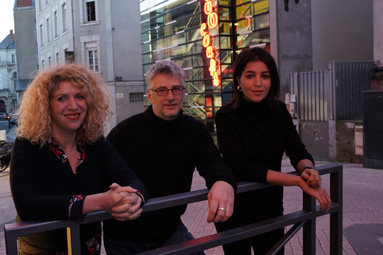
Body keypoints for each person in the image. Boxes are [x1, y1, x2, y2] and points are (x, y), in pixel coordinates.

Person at [10, 64, 148, 255]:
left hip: (88, 247)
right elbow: (28, 206)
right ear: (46, 105)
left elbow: (133, 181)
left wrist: (132, 199)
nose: (73, 106)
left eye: (80, 96)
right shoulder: (27, 144)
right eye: (61, 98)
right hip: (42, 250)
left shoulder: (94, 142)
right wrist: (101, 201)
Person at [103, 59, 236, 254]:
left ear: (184, 92)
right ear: (149, 95)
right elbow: (101, 174)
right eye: (162, 90)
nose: (170, 97)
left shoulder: (195, 130)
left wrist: (223, 181)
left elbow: (212, 161)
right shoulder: (124, 132)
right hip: (125, 237)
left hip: (169, 231)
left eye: (176, 89)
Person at [214, 47, 332, 255]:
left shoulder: (278, 111)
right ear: (239, 81)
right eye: (250, 76)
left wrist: (308, 169)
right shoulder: (226, 116)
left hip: (271, 208)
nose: (258, 83)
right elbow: (240, 166)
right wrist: (296, 181)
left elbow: (298, 151)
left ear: (272, 80)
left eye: (265, 76)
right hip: (235, 209)